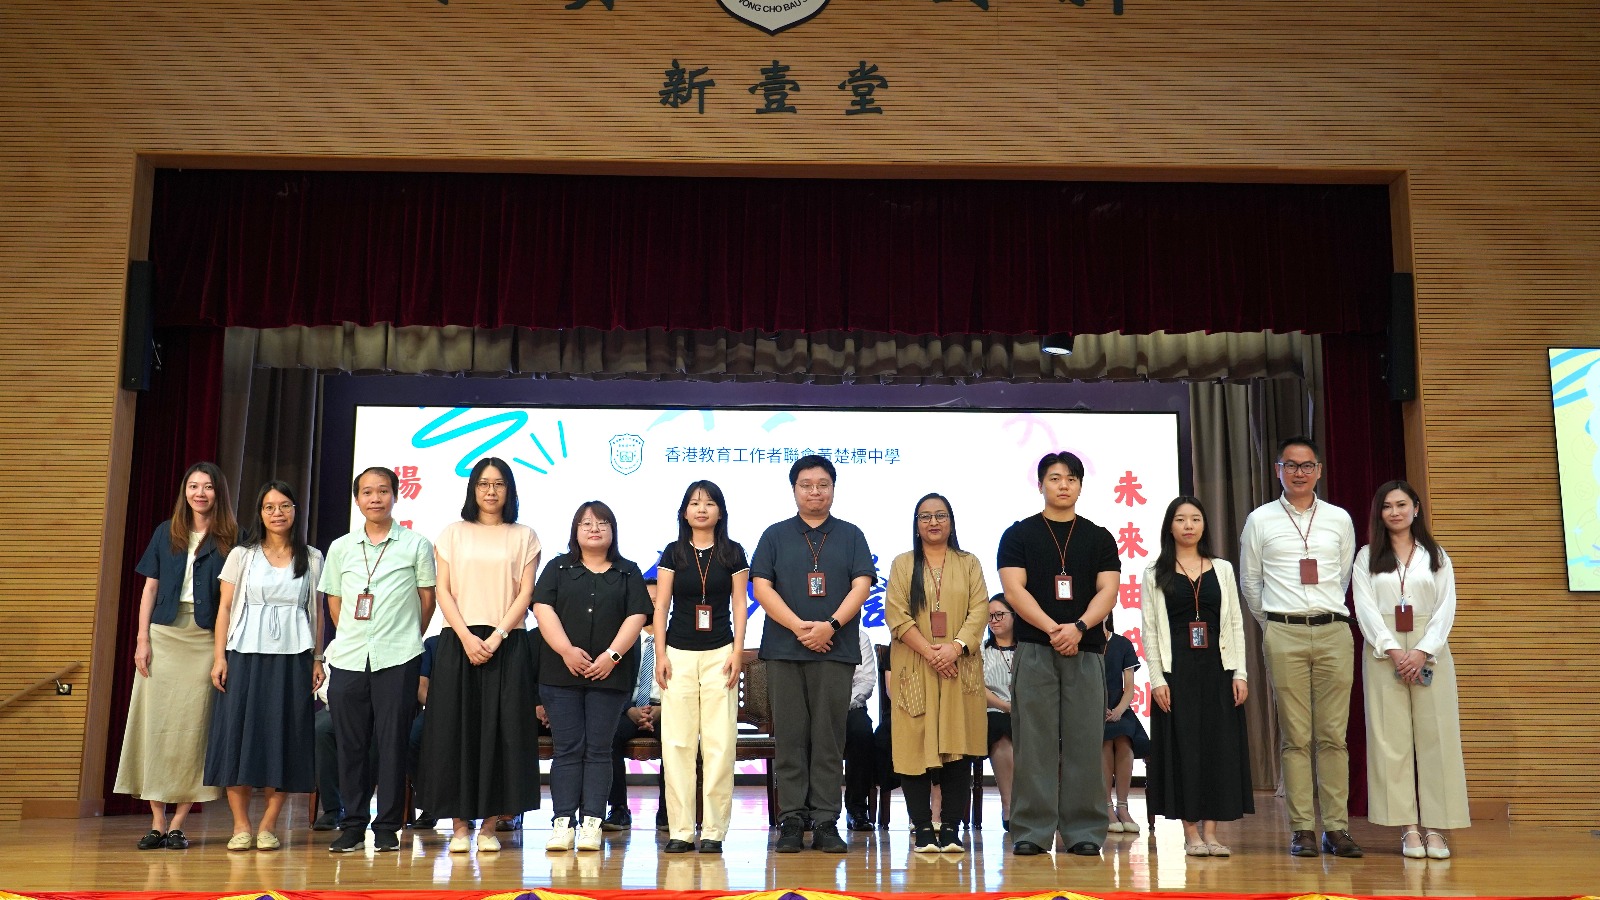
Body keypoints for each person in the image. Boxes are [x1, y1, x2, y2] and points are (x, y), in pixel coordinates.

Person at [1240, 436, 1361, 858]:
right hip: (1283, 631)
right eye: (1290, 465)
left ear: (1319, 470)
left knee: (1333, 736)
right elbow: (1250, 582)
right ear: (1278, 470)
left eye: (1307, 465)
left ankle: (1337, 829)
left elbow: (1342, 576)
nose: (1299, 473)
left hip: (1333, 631)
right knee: (1295, 737)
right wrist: (1275, 624)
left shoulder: (1339, 519)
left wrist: (1319, 613)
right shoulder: (1260, 519)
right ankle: (1303, 830)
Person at [997, 451, 1120, 857]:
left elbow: (1108, 591)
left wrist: (1079, 627)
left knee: (1086, 741)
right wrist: (1053, 629)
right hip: (1035, 649)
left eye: (1071, 478)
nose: (1063, 485)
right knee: (1034, 743)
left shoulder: (1099, 537)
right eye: (1054, 478)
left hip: (1085, 651)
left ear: (1080, 486)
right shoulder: (1018, 535)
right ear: (1040, 485)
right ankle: (1032, 831)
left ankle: (1084, 830)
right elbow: (1014, 590)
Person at [416, 457, 543, 853]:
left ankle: (489, 826)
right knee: (456, 731)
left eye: (499, 484)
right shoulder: (453, 533)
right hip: (459, 640)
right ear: (473, 489)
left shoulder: (524, 535)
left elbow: (526, 592)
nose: (491, 491)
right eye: (484, 483)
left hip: (509, 642)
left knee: (503, 732)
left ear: (510, 490)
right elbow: (443, 591)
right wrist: (467, 637)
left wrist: (499, 635)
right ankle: (459, 826)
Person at [751, 454, 876, 854]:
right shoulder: (774, 535)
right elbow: (761, 587)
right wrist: (799, 628)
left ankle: (825, 820)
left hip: (835, 650)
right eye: (806, 485)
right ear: (794, 490)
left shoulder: (851, 534)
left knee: (828, 739)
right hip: (785, 650)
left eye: (823, 484)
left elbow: (862, 585)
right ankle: (791, 819)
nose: (815, 492)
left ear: (833, 489)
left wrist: (830, 626)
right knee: (790, 737)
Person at [115, 462, 237, 850]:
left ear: (219, 493)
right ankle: (156, 821)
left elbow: (234, 600)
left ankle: (180, 822)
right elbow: (149, 589)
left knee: (194, 729)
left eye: (208, 487)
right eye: (193, 486)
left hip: (205, 640)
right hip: (163, 636)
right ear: (185, 491)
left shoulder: (232, 538)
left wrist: (222, 652)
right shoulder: (166, 532)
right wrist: (141, 639)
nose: (200, 493)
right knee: (155, 724)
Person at [319, 466, 437, 853]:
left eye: (383, 491)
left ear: (395, 496)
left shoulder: (416, 545)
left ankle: (387, 825)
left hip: (399, 656)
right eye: (367, 492)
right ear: (357, 500)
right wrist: (352, 634)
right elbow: (334, 600)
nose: (375, 498)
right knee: (351, 745)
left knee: (392, 743)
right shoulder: (341, 547)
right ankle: (353, 825)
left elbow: (427, 600)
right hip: (350, 657)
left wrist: (405, 635)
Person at [1353, 480, 1470, 860]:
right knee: (1391, 740)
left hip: (1429, 650)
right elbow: (1365, 607)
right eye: (1387, 506)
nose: (1395, 512)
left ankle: (1436, 828)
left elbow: (1446, 607)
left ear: (1416, 509)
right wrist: (1392, 649)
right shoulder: (1367, 556)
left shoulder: (1436, 555)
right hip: (1382, 650)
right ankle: (1408, 828)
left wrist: (1421, 650)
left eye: (1402, 505)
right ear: (1379, 513)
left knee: (1438, 737)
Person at [205, 480, 323, 851]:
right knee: (237, 735)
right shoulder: (242, 555)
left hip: (293, 656)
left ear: (295, 511)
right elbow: (225, 608)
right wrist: (219, 657)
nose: (277, 513)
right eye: (269, 507)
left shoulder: (312, 557)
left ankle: (269, 825)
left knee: (284, 737)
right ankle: (241, 825)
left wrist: (317, 658)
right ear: (260, 513)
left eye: (284, 506)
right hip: (244, 654)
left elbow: (317, 613)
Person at [532, 501, 652, 853]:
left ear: (613, 530)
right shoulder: (557, 568)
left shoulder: (628, 571)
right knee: (567, 749)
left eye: (602, 523)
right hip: (560, 674)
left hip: (609, 676)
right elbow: (542, 608)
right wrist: (566, 650)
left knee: (599, 750)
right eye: (586, 523)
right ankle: (563, 823)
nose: (594, 529)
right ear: (575, 531)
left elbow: (637, 616)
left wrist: (612, 656)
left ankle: (591, 824)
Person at [1142, 496, 1253, 856]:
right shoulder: (1154, 572)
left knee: (1218, 747)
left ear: (1204, 525)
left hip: (1218, 668)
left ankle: (1212, 833)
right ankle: (1191, 834)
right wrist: (1157, 679)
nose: (1188, 525)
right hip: (1177, 670)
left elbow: (1234, 622)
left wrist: (1240, 672)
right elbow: (1150, 630)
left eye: (1195, 519)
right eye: (1180, 519)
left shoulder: (1222, 569)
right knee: (1184, 748)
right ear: (1169, 526)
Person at [885, 493, 990, 854]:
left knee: (958, 746)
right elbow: (897, 615)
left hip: (958, 667)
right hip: (916, 666)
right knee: (913, 746)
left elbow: (979, 611)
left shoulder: (969, 563)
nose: (933, 522)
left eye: (940, 515)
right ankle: (922, 828)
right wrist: (931, 652)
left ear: (951, 522)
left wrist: (955, 648)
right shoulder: (902, 564)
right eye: (925, 516)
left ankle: (950, 828)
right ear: (916, 525)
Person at [654, 482, 750, 854]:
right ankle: (680, 830)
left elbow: (740, 605)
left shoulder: (733, 552)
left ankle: (713, 830)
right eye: (694, 503)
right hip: (677, 654)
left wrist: (738, 652)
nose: (701, 509)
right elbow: (661, 606)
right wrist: (660, 654)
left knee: (719, 744)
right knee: (677, 743)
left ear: (720, 512)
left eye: (709, 503)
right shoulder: (673, 552)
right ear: (684, 512)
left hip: (720, 652)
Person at [604, 625, 666, 835]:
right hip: (628, 709)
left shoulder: (675, 639)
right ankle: (618, 809)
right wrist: (629, 709)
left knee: (676, 737)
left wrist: (663, 709)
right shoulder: (624, 640)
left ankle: (668, 810)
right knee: (608, 736)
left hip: (664, 708)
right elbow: (611, 680)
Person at [1100, 621, 1150, 837]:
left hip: (1120, 707)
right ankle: (1106, 807)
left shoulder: (1122, 643)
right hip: (1092, 708)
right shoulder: (1081, 643)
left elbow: (1129, 687)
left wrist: (1119, 710)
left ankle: (1122, 806)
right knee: (1105, 742)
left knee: (1124, 740)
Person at [981, 594, 1017, 830]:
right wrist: (1005, 706)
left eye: (999, 615)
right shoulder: (981, 651)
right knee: (999, 727)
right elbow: (977, 688)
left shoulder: (1028, 650)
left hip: (1028, 711)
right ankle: (1009, 804)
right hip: (994, 710)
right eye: (989, 616)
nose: (993, 621)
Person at [842, 627, 879, 832]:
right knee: (803, 730)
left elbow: (866, 681)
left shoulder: (858, 637)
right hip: (815, 706)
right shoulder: (808, 632)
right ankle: (807, 810)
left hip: (850, 705)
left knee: (862, 733)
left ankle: (857, 808)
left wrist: (841, 704)